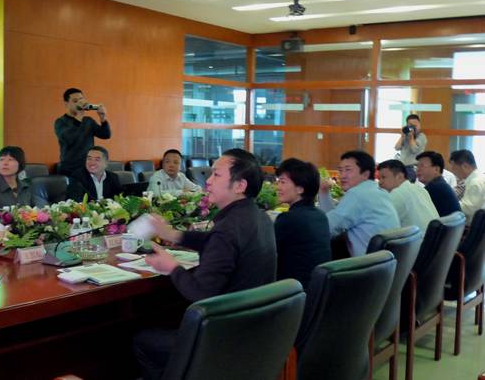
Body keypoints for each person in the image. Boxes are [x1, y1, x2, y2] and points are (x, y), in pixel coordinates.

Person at [134, 148, 277, 380]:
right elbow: (215, 242)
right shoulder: (259, 217)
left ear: (239, 186)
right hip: (254, 329)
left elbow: (200, 293)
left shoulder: (228, 228)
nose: (208, 181)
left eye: (216, 175)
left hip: (223, 337)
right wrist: (173, 234)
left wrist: (172, 267)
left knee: (143, 340)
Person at [318, 150, 400, 257]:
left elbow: (326, 228)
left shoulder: (357, 194)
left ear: (365, 174)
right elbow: (334, 220)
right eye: (340, 170)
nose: (342, 176)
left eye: (348, 170)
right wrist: (324, 192)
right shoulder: (377, 190)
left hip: (368, 264)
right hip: (385, 262)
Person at [274, 158, 331, 289]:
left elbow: (268, 254)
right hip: (317, 289)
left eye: (283, 182)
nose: (278, 187)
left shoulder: (288, 219)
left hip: (292, 291)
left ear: (300, 189)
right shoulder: (320, 216)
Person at [54, 88, 111, 176]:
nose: (79, 103)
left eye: (81, 100)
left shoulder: (88, 121)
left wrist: (103, 118)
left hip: (88, 167)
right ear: (66, 104)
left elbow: (106, 135)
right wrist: (79, 115)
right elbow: (68, 138)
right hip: (69, 169)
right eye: (75, 101)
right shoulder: (60, 122)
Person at [377, 159, 439, 234]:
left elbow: (380, 224)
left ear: (399, 177)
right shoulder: (420, 189)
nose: (380, 183)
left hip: (420, 240)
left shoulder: (398, 193)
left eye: (383, 177)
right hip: (434, 238)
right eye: (379, 179)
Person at [0, 146, 39, 213]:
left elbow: (34, 212)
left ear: (20, 164)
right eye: (1, 159)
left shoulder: (27, 187)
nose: (5, 163)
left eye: (10, 159)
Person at [416, 151, 461, 217]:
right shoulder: (440, 184)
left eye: (422, 166)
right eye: (417, 166)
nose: (417, 169)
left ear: (436, 169)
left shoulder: (434, 188)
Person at [449, 149, 485, 224]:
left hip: (473, 226)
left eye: (454, 168)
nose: (453, 172)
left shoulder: (475, 183)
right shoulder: (480, 178)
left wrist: (449, 200)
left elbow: (467, 210)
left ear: (465, 166)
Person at [394, 114, 427, 182]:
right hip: (402, 167)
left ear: (419, 125)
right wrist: (402, 136)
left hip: (413, 168)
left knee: (408, 186)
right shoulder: (406, 136)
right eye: (411, 125)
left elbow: (414, 149)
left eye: (415, 125)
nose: (414, 128)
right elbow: (397, 148)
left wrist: (411, 138)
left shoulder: (421, 136)